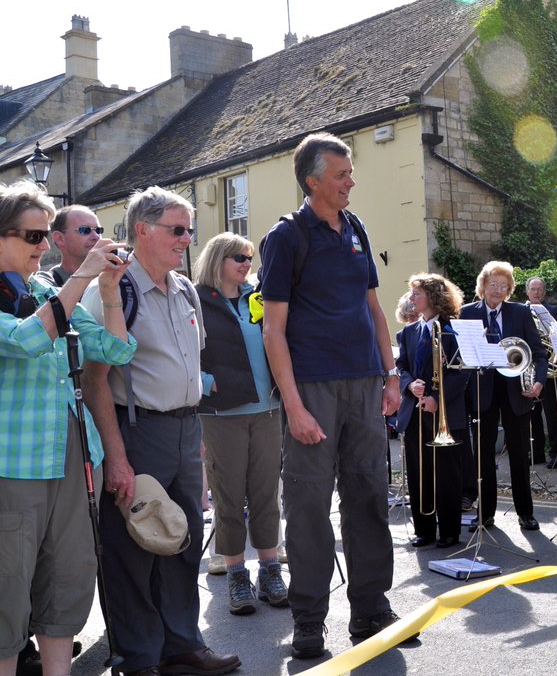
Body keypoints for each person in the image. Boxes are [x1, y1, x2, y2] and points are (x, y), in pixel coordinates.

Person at [81, 186, 242, 675]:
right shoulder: (111, 288)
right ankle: (138, 656)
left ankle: (181, 645)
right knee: (132, 549)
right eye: (177, 229)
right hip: (136, 431)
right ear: (142, 231)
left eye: (189, 230)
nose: (187, 239)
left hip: (182, 430)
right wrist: (117, 456)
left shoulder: (185, 288)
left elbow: (189, 369)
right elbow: (94, 381)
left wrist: (191, 438)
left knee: (183, 540)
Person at [259, 132, 402, 659]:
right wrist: (293, 406)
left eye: (350, 172)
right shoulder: (286, 238)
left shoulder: (356, 227)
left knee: (368, 498)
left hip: (365, 384)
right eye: (341, 175)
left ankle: (370, 610)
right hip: (312, 389)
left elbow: (375, 308)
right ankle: (309, 621)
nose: (351, 181)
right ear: (312, 180)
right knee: (309, 506)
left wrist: (391, 374)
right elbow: (273, 331)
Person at [0, 182, 135, 676]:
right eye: (33, 236)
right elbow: (29, 338)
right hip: (11, 465)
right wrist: (80, 276)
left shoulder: (44, 291)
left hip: (71, 459)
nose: (43, 246)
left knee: (67, 581)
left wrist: (108, 291)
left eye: (44, 235)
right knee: (7, 589)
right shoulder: (44, 297)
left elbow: (117, 351)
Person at [193, 233, 287, 616]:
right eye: (238, 256)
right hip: (221, 415)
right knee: (229, 501)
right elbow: (182, 351)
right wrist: (206, 384)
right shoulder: (195, 299)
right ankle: (235, 575)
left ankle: (270, 571)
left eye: (249, 256)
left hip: (267, 412)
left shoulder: (257, 298)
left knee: (267, 497)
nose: (246, 263)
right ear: (217, 258)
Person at [459, 261, 547, 532]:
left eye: (503, 286)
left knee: (520, 455)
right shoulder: (465, 313)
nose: (497, 290)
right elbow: (459, 354)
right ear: (482, 286)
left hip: (516, 391)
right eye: (492, 284)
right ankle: (485, 514)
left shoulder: (520, 312)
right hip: (481, 392)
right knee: (483, 456)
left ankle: (526, 513)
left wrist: (540, 382)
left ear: (509, 289)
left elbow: (539, 353)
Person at [395, 273, 471, 548]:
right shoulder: (407, 332)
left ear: (433, 296)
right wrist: (409, 384)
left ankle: (450, 531)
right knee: (418, 473)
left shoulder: (454, 329)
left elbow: (462, 372)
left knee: (447, 474)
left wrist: (437, 398)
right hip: (414, 412)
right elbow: (401, 367)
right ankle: (424, 529)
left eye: (417, 293)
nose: (412, 298)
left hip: (445, 413)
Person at [525, 276, 557, 468]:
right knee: (532, 413)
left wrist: (555, 364)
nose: (537, 293)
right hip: (528, 369)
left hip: (549, 368)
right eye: (533, 289)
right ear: (527, 292)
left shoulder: (554, 311)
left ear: (545, 291)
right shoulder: (521, 311)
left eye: (540, 289)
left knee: (552, 413)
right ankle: (537, 453)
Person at [38, 204, 103, 286]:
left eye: (98, 230)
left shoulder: (113, 274)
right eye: (84, 230)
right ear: (60, 239)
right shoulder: (46, 282)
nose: (96, 237)